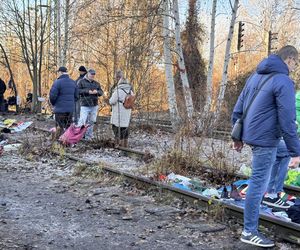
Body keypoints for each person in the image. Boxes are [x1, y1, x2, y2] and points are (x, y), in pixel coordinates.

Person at [232, 45, 300, 248]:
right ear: (289, 59)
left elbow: (238, 107)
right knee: (257, 183)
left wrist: (237, 137)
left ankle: (272, 194)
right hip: (265, 139)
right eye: (296, 63)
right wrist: (297, 152)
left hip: (253, 135)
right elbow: (288, 120)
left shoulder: (255, 76)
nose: (296, 68)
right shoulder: (284, 81)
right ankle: (249, 231)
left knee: (283, 153)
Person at [49, 66, 78, 138]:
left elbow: (52, 96)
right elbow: (77, 96)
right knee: (68, 127)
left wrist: (54, 104)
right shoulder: (73, 82)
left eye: (58, 72)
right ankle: (68, 143)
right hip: (70, 110)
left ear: (60, 72)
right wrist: (71, 103)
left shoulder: (57, 82)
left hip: (60, 110)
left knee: (59, 128)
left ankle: (59, 145)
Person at [109, 70, 133, 147]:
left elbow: (112, 101)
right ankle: (125, 145)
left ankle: (118, 144)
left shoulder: (118, 90)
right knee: (125, 128)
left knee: (116, 128)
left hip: (118, 112)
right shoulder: (130, 91)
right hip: (127, 112)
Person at [77, 68, 103, 140]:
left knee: (92, 121)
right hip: (84, 105)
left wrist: (97, 92)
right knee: (82, 121)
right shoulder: (81, 82)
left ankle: (88, 137)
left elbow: (101, 92)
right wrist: (87, 91)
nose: (92, 76)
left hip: (94, 105)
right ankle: (78, 136)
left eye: (93, 75)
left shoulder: (96, 83)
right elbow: (77, 91)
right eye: (91, 75)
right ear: (87, 74)